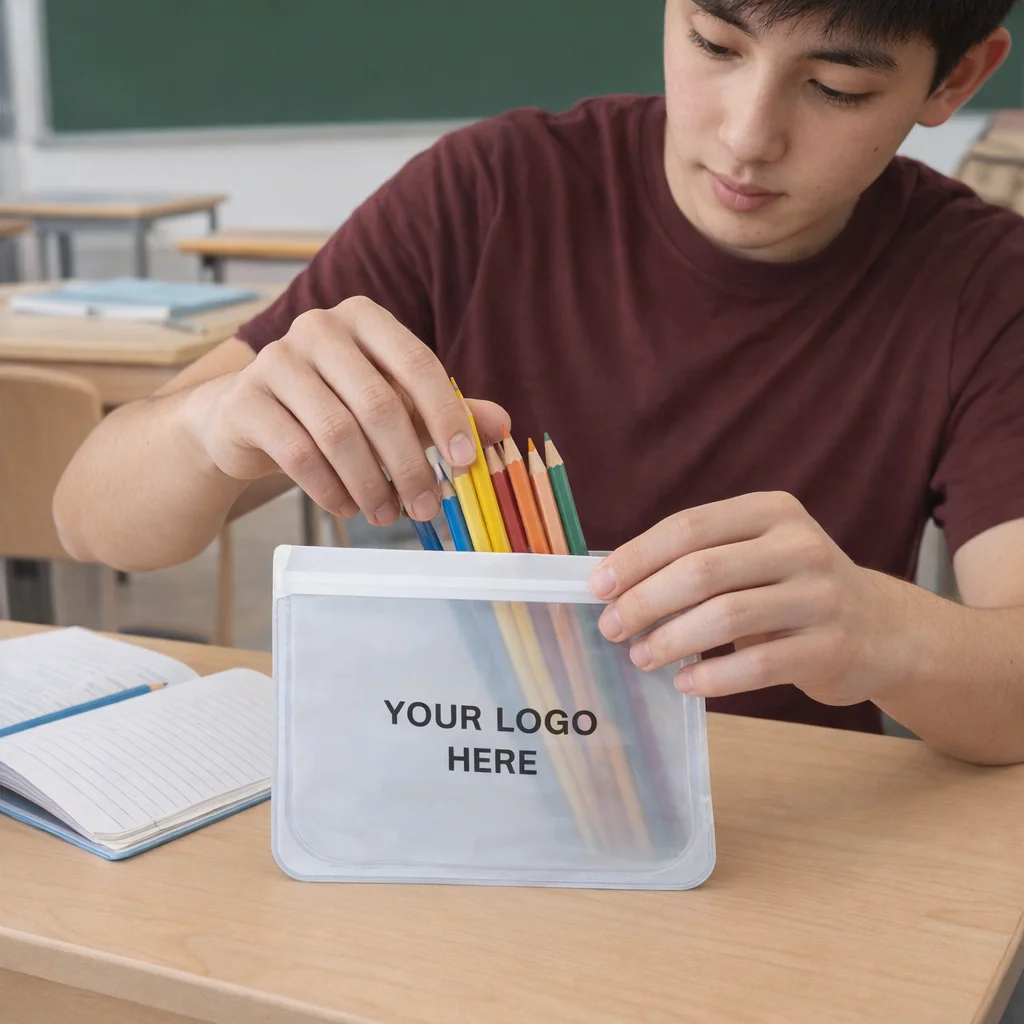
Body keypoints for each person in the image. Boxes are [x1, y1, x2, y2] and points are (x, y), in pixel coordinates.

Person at [54, 0, 1024, 767]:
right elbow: (92, 521)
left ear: (957, 78)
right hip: (451, 772)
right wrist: (211, 429)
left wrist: (881, 633)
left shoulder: (986, 287)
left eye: (835, 87)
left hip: (779, 841)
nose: (745, 135)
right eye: (713, 43)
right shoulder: (487, 193)